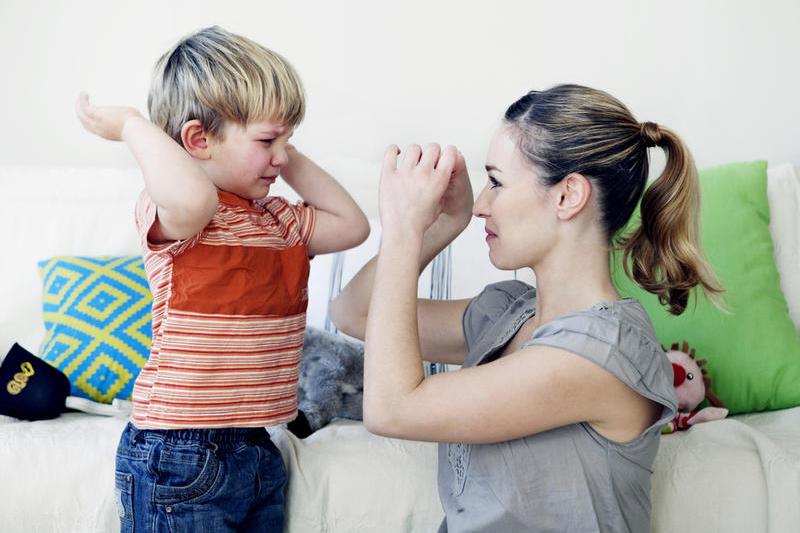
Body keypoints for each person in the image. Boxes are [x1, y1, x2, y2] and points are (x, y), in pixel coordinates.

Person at [329, 84, 723, 532]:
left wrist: (403, 229)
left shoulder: (602, 355)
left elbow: (391, 410)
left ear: (567, 196)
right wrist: (443, 224)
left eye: (496, 182)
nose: (481, 205)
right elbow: (353, 312)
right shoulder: (508, 312)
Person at [76, 26, 369, 532]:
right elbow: (194, 197)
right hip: (178, 451)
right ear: (197, 140)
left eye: (288, 140)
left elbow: (353, 225)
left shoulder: (281, 222)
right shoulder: (181, 216)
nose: (281, 156)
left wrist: (281, 146)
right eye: (267, 141)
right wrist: (132, 126)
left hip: (255, 445)